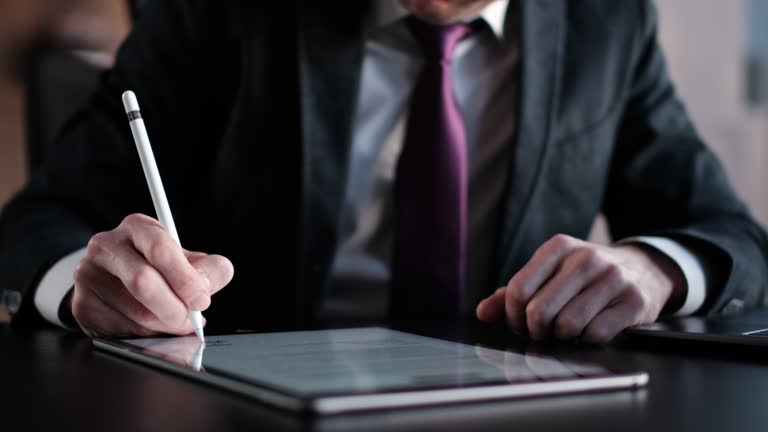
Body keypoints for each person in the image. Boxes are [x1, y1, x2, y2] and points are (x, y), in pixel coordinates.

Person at [1, 0, 766, 342]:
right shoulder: (216, 12)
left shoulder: (607, 22)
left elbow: (733, 235)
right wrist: (88, 286)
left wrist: (655, 266)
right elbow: (35, 225)